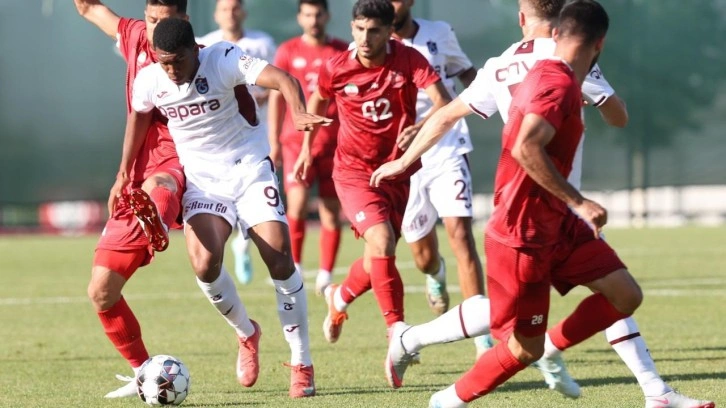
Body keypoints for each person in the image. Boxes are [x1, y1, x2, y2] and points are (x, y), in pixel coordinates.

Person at [374, 1, 716, 407]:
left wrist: (404, 160)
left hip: (560, 217)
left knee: (621, 293)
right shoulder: (564, 71)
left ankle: (652, 391)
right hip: (531, 220)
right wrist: (580, 197)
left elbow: (448, 114)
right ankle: (440, 388)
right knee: (519, 339)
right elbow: (591, 125)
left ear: (525, 19)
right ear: (588, 39)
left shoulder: (501, 64)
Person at [116, 18, 330, 398]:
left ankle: (301, 362)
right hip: (203, 181)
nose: (171, 70)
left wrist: (298, 111)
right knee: (204, 263)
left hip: (249, 168)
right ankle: (246, 332)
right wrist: (123, 173)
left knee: (280, 258)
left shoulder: (224, 58)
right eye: (164, 62)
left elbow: (283, 79)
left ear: (194, 50)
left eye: (178, 61)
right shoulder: (150, 79)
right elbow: (138, 116)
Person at [292, 0, 451, 355]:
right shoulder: (337, 67)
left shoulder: (409, 59)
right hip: (354, 172)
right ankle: (398, 333)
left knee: (375, 257)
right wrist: (306, 148)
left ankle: (339, 296)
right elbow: (317, 100)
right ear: (352, 28)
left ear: (389, 32)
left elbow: (443, 101)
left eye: (375, 30)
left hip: (397, 171)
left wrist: (420, 127)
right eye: (360, 29)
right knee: (382, 240)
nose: (366, 38)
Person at [74, 0, 188, 398]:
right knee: (100, 291)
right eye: (151, 19)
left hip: (180, 160)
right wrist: (122, 174)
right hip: (134, 178)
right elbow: (88, 8)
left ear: (184, 21)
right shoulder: (136, 36)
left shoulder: (197, 57)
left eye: (165, 22)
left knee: (163, 182)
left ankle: (157, 221)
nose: (156, 30)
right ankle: (144, 373)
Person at [389, 0, 493, 356]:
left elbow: (466, 75)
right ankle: (435, 274)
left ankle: (482, 338)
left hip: (447, 145)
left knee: (461, 234)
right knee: (422, 256)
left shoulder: (439, 33)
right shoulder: (372, 42)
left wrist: (499, 98)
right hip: (402, 157)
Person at [268, 0, 347, 296]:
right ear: (300, 17)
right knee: (297, 204)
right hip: (295, 142)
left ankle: (326, 274)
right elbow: (277, 96)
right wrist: (274, 141)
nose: (314, 20)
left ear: (327, 16)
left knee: (331, 210)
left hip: (333, 143)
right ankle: (295, 268)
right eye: (308, 14)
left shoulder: (341, 51)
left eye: (318, 14)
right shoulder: (288, 50)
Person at [197, 0, 278, 285]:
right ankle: (229, 247)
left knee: (259, 193)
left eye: (235, 8)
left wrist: (264, 95)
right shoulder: (206, 44)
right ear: (216, 14)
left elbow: (276, 82)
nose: (230, 14)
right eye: (224, 9)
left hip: (257, 134)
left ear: (243, 11)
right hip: (220, 138)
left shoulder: (262, 43)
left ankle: (244, 243)